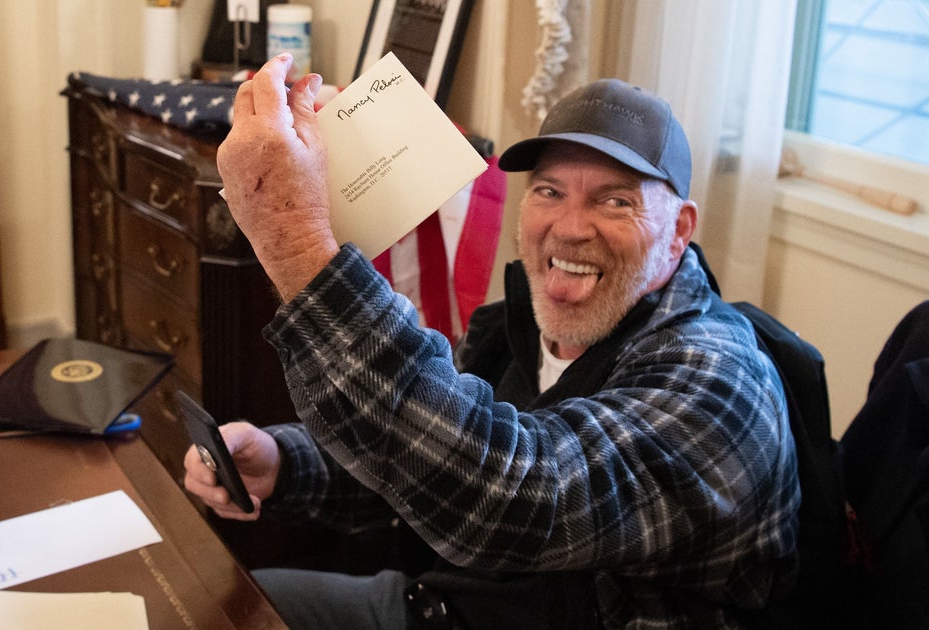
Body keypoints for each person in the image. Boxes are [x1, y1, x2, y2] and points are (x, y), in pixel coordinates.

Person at [185, 53, 800, 628]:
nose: (570, 228)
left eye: (615, 201)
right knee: (218, 605)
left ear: (679, 231)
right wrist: (284, 463)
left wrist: (294, 237)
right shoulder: (516, 327)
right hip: (440, 606)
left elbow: (508, 501)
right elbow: (425, 456)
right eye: (549, 191)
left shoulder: (719, 377)